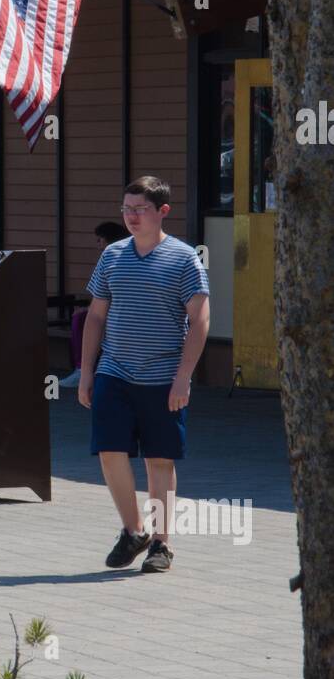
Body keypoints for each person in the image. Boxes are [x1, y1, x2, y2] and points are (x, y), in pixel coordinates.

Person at [78, 176, 210, 575]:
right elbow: (96, 316)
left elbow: (200, 319)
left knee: (159, 460)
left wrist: (184, 376)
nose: (131, 217)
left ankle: (161, 544)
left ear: (162, 212)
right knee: (109, 451)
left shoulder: (184, 258)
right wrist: (86, 373)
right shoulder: (113, 256)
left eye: (140, 209)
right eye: (126, 209)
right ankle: (133, 530)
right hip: (114, 372)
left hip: (163, 376)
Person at [59, 221, 127, 388]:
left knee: (82, 318)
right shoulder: (107, 259)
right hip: (106, 309)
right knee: (80, 317)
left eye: (99, 240)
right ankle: (81, 368)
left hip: (121, 313)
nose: (97, 244)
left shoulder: (120, 258)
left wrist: (90, 310)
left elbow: (116, 296)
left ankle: (82, 369)